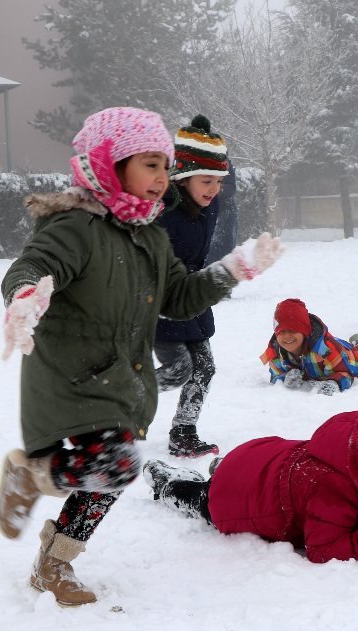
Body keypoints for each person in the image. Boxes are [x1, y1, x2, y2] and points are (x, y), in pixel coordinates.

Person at [0, 107, 283, 607]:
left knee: (108, 477)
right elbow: (33, 265)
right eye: (150, 164)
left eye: (166, 166)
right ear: (110, 163)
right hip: (72, 377)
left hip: (120, 380)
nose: (162, 178)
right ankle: (29, 476)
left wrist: (235, 268)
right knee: (117, 465)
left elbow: (179, 297)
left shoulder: (149, 234)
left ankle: (52, 564)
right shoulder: (75, 227)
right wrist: (25, 297)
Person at [142, 373, 358, 563]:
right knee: (204, 499)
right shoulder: (336, 486)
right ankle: (168, 484)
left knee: (240, 475)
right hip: (238, 497)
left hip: (262, 457)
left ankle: (223, 469)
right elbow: (321, 549)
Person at [154, 115, 232, 458]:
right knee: (177, 369)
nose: (214, 188)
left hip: (193, 295)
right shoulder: (160, 209)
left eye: (219, 180)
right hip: (159, 301)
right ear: (183, 177)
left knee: (204, 366)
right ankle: (119, 402)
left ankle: (183, 432)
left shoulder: (209, 205)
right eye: (206, 180)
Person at [260, 298, 358, 395]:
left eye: (292, 331)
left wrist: (334, 382)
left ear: (304, 331)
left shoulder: (325, 349)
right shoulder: (275, 352)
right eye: (281, 332)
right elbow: (275, 376)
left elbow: (346, 373)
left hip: (343, 355)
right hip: (330, 350)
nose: (286, 336)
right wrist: (284, 378)